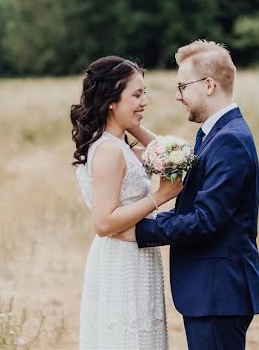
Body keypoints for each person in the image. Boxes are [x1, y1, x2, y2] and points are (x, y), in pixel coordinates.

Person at [118, 40, 259, 350]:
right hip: (213, 292)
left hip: (218, 292)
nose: (178, 96)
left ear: (208, 85)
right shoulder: (215, 134)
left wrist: (138, 230)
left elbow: (204, 220)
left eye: (182, 86)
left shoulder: (229, 140)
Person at [72, 55, 182, 349]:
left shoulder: (119, 145)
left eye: (144, 92)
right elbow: (103, 222)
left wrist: (131, 124)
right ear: (111, 99)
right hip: (121, 261)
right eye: (136, 94)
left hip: (137, 255)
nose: (144, 100)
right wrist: (160, 196)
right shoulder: (109, 151)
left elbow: (171, 157)